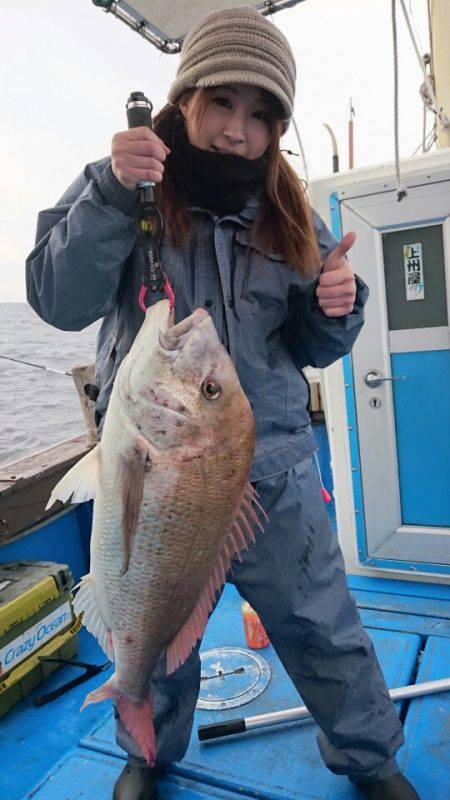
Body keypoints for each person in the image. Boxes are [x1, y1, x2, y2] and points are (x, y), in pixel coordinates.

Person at [26, 7, 420, 800]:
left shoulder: (289, 213)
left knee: (323, 629)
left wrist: (339, 307)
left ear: (277, 129)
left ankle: (371, 759)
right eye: (222, 105)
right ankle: (148, 751)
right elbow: (55, 299)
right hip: (158, 465)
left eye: (262, 115)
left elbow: (309, 344)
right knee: (160, 627)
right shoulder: (125, 183)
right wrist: (108, 190)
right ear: (186, 100)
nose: (238, 131)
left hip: (270, 473)